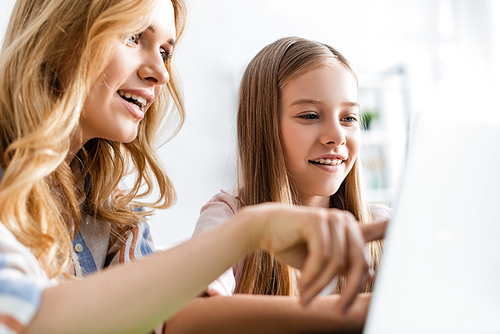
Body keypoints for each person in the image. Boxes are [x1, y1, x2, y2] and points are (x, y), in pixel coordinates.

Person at [0, 2, 375, 334]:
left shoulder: (111, 212)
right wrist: (251, 230)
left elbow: (155, 317)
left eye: (165, 51)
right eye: (133, 37)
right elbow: (25, 318)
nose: (161, 73)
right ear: (61, 34)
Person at [165, 37, 391, 333]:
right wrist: (356, 310)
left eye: (349, 118)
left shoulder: (381, 226)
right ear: (264, 127)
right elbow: (184, 318)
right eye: (310, 116)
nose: (337, 136)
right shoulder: (229, 217)